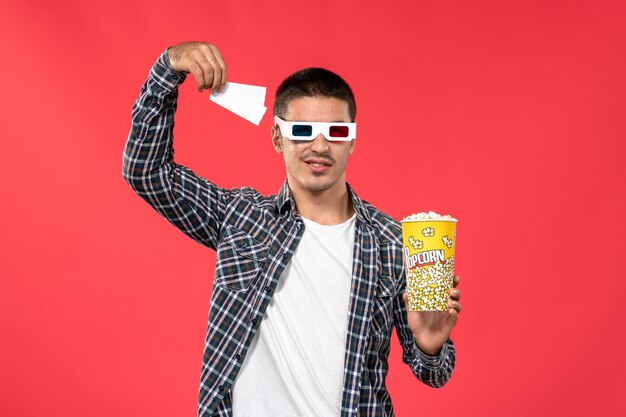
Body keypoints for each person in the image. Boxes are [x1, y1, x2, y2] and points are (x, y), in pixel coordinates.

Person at [122, 41, 462, 417]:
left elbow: (434, 373)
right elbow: (146, 171)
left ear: (351, 140)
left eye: (335, 131)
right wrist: (167, 69)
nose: (320, 145)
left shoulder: (392, 243)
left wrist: (430, 345)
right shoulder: (241, 219)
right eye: (302, 129)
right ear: (277, 138)